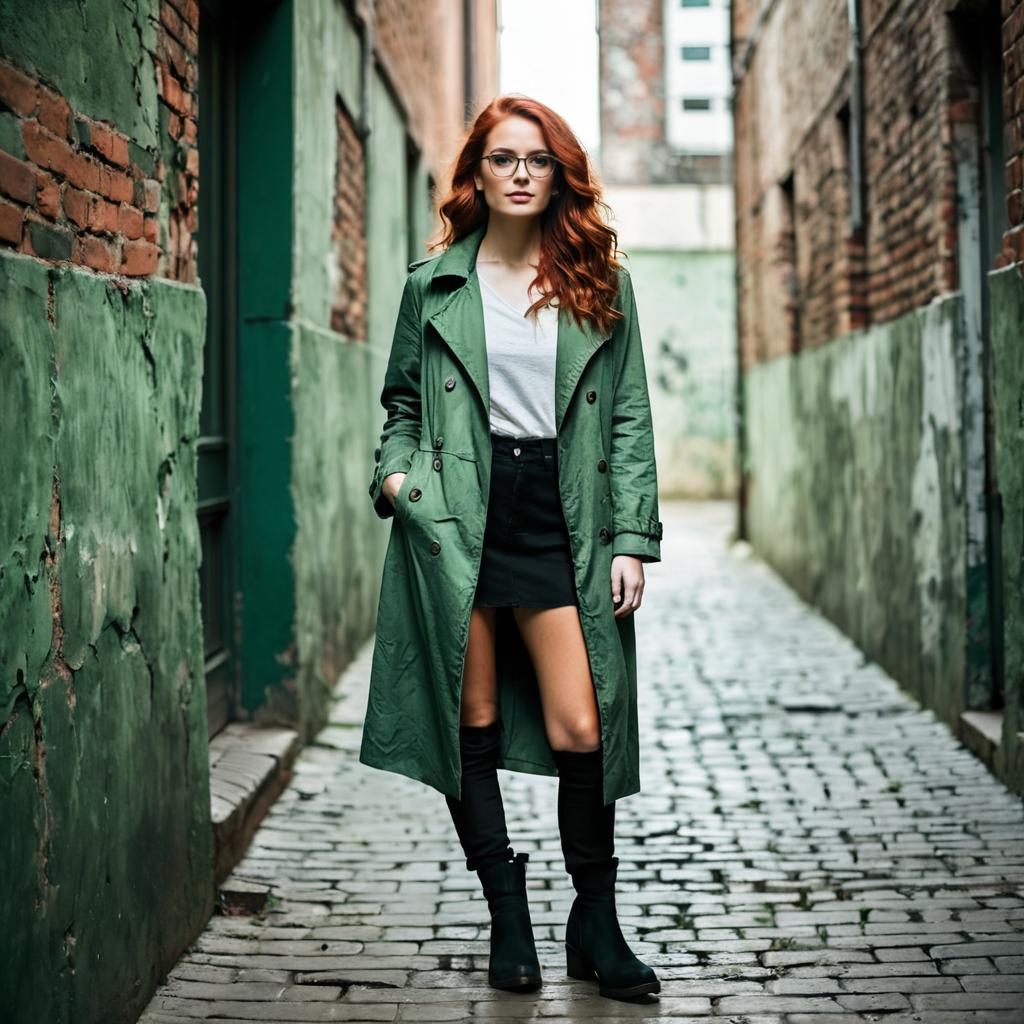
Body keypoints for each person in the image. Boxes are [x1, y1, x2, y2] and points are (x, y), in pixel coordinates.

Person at [361, 94, 663, 1002]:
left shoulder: (600, 283)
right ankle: (508, 914)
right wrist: (398, 483)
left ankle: (595, 919)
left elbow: (629, 418)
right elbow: (402, 406)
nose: (522, 174)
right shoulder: (434, 285)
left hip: (558, 515)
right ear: (478, 175)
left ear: (560, 176)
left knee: (585, 726)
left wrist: (630, 537)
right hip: (457, 516)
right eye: (503, 159)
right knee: (474, 724)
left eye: (538, 160)